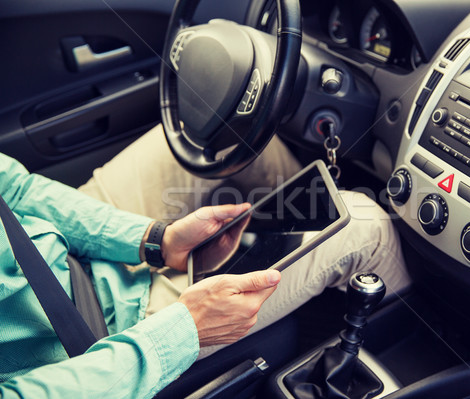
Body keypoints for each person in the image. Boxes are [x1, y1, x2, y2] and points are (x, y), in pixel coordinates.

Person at [0, 125, 411, 398]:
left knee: (224, 133)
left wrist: (154, 239)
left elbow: (13, 191)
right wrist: (182, 331)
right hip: (97, 340)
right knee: (364, 223)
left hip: (62, 251)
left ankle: (306, 251)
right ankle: (415, 341)